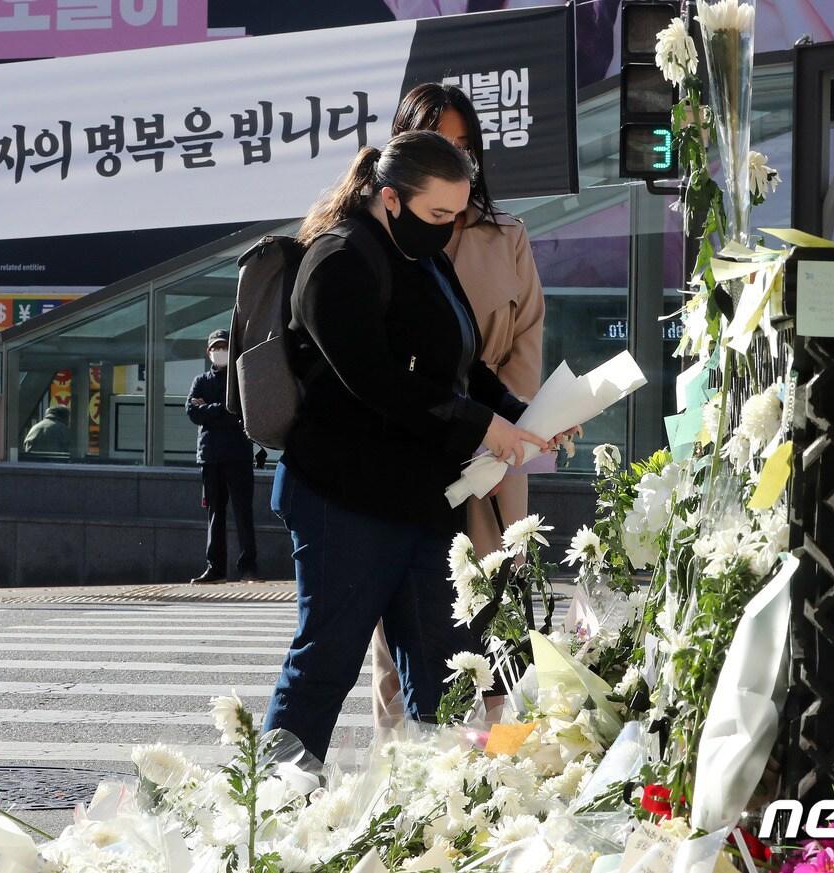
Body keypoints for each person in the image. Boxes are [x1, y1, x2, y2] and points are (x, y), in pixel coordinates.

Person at [262, 131, 572, 762]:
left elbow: (460, 365)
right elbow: (376, 382)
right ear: (389, 198)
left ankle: (443, 814)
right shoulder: (339, 259)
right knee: (328, 655)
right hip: (343, 496)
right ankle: (273, 806)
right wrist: (485, 426)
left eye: (457, 215)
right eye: (438, 215)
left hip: (419, 498)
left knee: (448, 664)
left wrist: (526, 416)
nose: (450, 228)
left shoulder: (422, 256)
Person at [363, 82, 553, 732]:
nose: (457, 159)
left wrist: (508, 420)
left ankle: (502, 774)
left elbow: (526, 340)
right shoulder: (378, 240)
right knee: (407, 623)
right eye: (443, 143)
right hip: (411, 455)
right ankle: (403, 774)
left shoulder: (507, 236)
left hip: (493, 460)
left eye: (466, 147)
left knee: (500, 620)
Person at [187, 329, 261, 585]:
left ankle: (248, 567)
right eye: (215, 347)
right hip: (210, 458)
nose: (219, 352)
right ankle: (215, 568)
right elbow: (192, 413)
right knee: (215, 514)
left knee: (243, 513)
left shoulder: (240, 379)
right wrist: (223, 409)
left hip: (238, 456)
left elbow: (240, 411)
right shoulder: (200, 381)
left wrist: (209, 409)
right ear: (208, 352)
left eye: (224, 347)